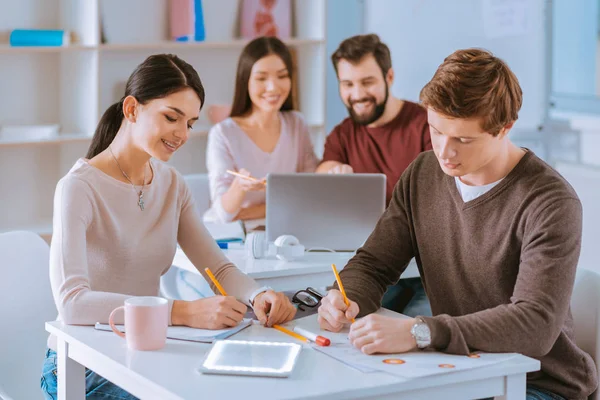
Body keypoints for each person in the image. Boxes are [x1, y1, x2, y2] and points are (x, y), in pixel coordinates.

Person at [317, 48, 598, 400]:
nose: (445, 152)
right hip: (460, 370)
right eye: (436, 131)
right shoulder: (422, 173)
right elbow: (374, 263)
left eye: (463, 140)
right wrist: (345, 296)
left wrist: (421, 332)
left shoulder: (550, 201)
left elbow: (535, 324)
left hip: (539, 384)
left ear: (504, 128)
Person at [41, 54, 296, 400]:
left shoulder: (171, 184)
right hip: (82, 365)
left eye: (190, 123)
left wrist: (257, 294)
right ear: (131, 110)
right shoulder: (78, 188)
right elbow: (72, 303)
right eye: (171, 117)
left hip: (145, 353)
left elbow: (217, 267)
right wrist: (183, 311)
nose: (182, 134)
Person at [317, 34, 432, 317]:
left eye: (367, 82)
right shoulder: (342, 134)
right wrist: (331, 173)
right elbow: (320, 176)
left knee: (423, 337)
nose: (357, 94)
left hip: (426, 273)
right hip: (375, 271)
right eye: (347, 84)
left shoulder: (426, 125)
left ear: (389, 76)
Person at [204, 36, 319, 223]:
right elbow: (224, 213)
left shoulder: (296, 123)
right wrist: (239, 188)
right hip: (235, 237)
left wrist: (251, 212)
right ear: (246, 80)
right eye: (261, 78)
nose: (273, 87)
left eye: (282, 76)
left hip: (284, 227)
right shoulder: (223, 133)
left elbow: (310, 191)